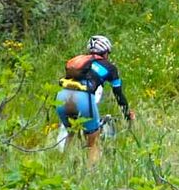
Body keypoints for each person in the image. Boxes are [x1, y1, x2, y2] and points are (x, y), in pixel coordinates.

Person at [55, 34, 132, 164]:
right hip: (83, 97)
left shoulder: (80, 63)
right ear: (105, 52)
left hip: (62, 95)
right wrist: (127, 114)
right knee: (93, 141)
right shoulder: (110, 67)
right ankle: (92, 174)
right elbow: (119, 95)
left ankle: (63, 167)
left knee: (70, 132)